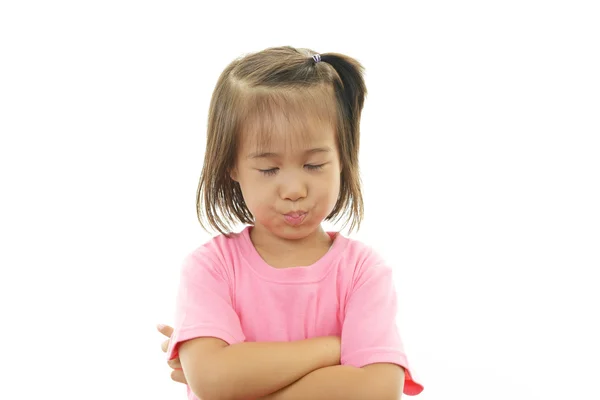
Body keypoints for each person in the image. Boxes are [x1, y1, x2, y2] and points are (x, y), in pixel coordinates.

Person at [157, 46, 424, 400]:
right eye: (268, 169)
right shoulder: (211, 267)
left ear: (343, 158)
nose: (295, 190)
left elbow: (375, 391)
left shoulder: (363, 271)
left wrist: (245, 385)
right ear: (232, 166)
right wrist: (333, 348)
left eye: (314, 165)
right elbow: (214, 380)